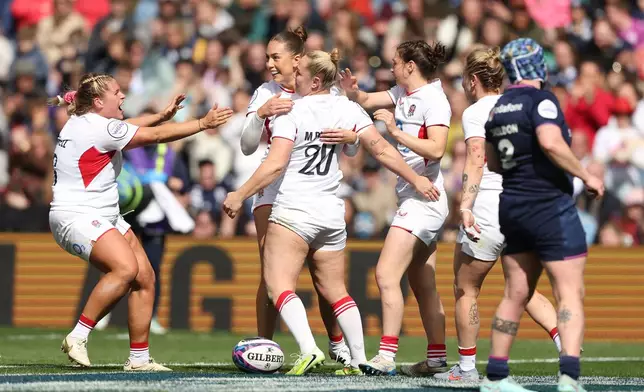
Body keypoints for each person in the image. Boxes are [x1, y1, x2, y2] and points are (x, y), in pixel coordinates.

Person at [223, 48, 439, 376]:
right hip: (331, 214)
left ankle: (309, 349)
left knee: (278, 285)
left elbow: (276, 162)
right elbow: (380, 149)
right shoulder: (346, 108)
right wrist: (416, 179)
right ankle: (358, 357)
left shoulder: (291, 111)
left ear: (314, 81)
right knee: (336, 291)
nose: (293, 79)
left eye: (299, 75)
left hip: (294, 211)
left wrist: (240, 194)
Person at [48, 73, 233, 371]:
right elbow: (155, 137)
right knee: (125, 269)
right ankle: (79, 335)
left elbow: (130, 127)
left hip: (101, 214)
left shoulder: (86, 122)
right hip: (77, 215)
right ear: (98, 101)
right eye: (117, 92)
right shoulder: (98, 128)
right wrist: (202, 124)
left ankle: (138, 359)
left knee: (144, 278)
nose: (123, 97)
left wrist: (161, 115)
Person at [480, 38, 604, 392]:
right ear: (536, 66)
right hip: (548, 206)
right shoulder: (541, 99)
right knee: (568, 292)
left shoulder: (497, 107)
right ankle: (569, 377)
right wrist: (585, 175)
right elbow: (550, 142)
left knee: (515, 293)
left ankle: (496, 376)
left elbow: (492, 162)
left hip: (512, 206)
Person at [434, 46, 563, 383]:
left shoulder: (477, 112)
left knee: (466, 289)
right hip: (525, 207)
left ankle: (465, 369)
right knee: (525, 289)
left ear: (473, 79)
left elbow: (476, 158)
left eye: (464, 78)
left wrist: (464, 206)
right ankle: (567, 346)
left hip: (490, 208)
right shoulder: (522, 106)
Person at [239, 25, 358, 366]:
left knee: (325, 278)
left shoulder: (325, 95)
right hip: (272, 189)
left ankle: (337, 343)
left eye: (275, 57)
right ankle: (266, 347)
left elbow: (351, 149)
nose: (270, 64)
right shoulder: (265, 93)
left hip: (314, 193)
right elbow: (248, 147)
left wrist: (351, 138)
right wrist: (260, 115)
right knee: (271, 271)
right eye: (266, 58)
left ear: (297, 59)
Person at [339, 40, 450, 376]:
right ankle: (436, 358)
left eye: (396, 63)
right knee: (423, 283)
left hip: (424, 198)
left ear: (411, 66)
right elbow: (368, 101)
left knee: (386, 273)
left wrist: (396, 134)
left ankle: (386, 355)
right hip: (414, 196)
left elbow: (438, 148)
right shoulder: (404, 93)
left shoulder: (434, 100)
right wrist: (354, 92)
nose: (392, 68)